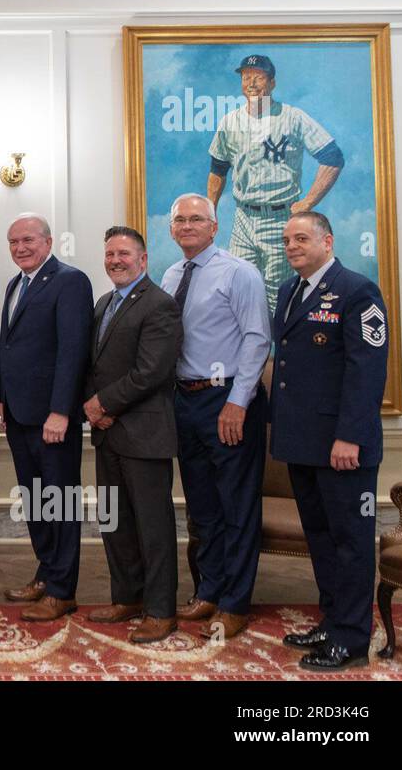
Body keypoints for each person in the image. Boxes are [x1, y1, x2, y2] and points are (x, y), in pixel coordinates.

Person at [271, 212, 388, 671]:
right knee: (321, 539)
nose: (292, 246)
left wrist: (350, 437)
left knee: (351, 542)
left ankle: (353, 640)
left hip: (343, 448)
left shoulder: (358, 291)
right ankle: (333, 620)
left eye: (301, 238)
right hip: (303, 443)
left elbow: (366, 371)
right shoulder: (289, 291)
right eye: (286, 240)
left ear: (327, 240)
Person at [161, 193, 271, 638]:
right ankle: (208, 589)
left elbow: (257, 339)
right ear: (172, 229)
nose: (187, 226)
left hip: (227, 400)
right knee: (202, 507)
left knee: (236, 506)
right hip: (184, 401)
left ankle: (234, 603)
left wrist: (238, 402)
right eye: (180, 220)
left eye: (196, 219)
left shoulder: (239, 273)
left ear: (214, 225)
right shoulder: (171, 275)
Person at [0, 213, 93, 621]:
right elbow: (9, 349)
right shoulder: (16, 283)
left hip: (52, 418)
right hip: (17, 414)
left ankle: (63, 590)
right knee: (35, 501)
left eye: (28, 240)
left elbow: (72, 352)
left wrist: (60, 411)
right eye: (13, 242)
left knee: (60, 501)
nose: (20, 248)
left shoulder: (69, 280)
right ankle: (47, 573)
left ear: (49, 242)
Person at [82, 227, 183, 643]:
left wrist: (102, 404)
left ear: (143, 259)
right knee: (116, 522)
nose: (115, 260)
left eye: (124, 253)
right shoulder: (104, 302)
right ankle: (127, 598)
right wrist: (95, 405)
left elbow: (151, 372)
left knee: (153, 526)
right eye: (109, 254)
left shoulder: (160, 305)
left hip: (144, 433)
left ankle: (160, 610)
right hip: (108, 434)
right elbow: (93, 365)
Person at [206, 54, 345, 313]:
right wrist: (210, 212)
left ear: (272, 83)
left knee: (277, 296)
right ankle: (249, 354)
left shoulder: (292, 117)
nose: (252, 83)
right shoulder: (230, 121)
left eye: (258, 76)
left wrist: (308, 203)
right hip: (243, 218)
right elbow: (218, 169)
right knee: (238, 289)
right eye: (246, 76)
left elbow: (332, 157)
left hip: (280, 218)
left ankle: (279, 354)